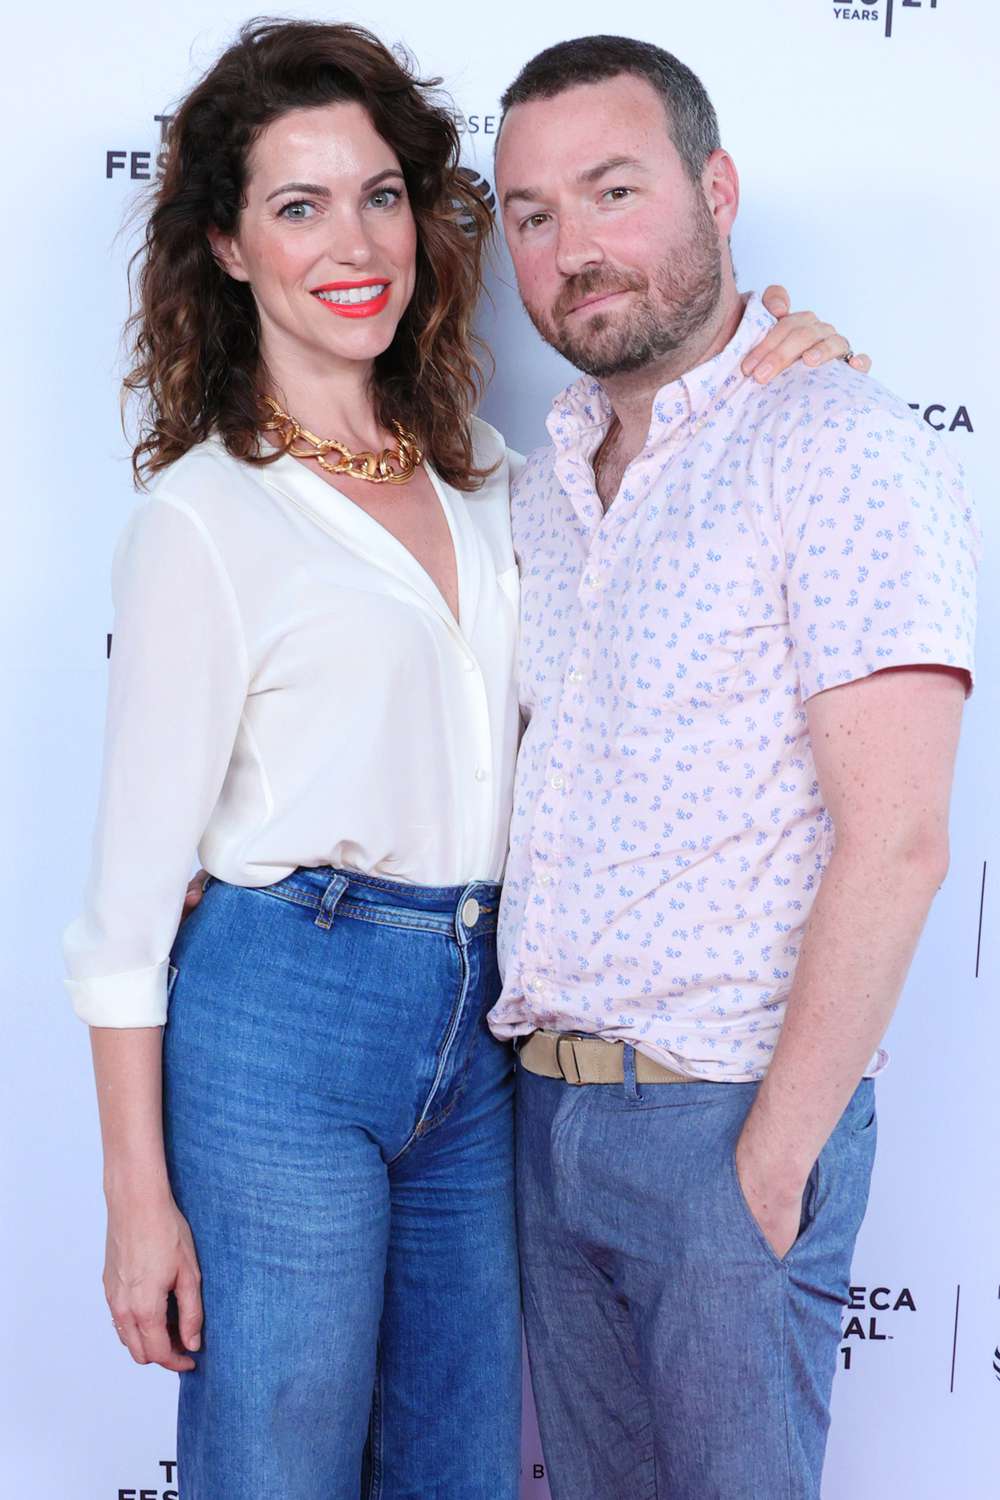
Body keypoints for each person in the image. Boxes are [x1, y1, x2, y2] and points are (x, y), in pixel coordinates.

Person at [64, 17, 865, 1499]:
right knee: (278, 1459)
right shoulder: (204, 521)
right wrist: (137, 1206)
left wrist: (783, 348)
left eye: (378, 195)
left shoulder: (503, 476)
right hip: (285, 1014)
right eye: (296, 207)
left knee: (460, 1464)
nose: (351, 241)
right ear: (231, 251)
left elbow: (678, 448)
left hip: (485, 1026)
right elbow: (120, 920)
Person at [488, 34, 979, 1500]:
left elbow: (897, 839)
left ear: (716, 189)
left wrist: (769, 1167)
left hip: (726, 1124)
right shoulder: (543, 484)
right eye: (530, 215)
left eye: (612, 191)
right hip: (543, 1115)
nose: (573, 249)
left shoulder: (833, 442)